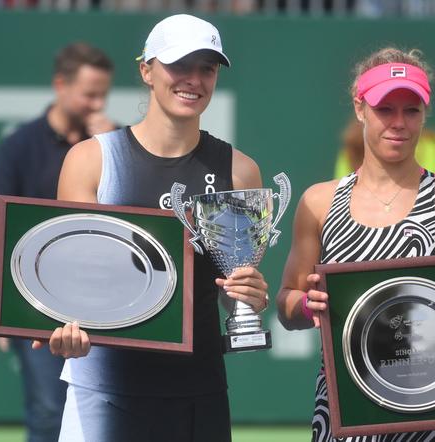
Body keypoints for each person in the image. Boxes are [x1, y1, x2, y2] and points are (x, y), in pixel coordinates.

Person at [31, 14, 269, 442]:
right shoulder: (93, 160)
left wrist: (249, 299)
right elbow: (71, 284)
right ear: (146, 70)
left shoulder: (240, 171)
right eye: (180, 65)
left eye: (207, 68)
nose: (193, 80)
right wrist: (65, 327)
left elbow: (237, 306)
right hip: (103, 390)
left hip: (200, 392)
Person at [276, 47, 435, 442]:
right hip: (346, 407)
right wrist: (304, 304)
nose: (399, 123)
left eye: (412, 110)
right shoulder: (318, 203)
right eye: (385, 109)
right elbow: (287, 301)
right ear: (360, 107)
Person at [0, 42, 115, 442]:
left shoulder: (115, 146)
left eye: (103, 94)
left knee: (110, 410)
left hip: (106, 301)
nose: (97, 103)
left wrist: (114, 149)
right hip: (36, 300)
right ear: (60, 85)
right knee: (49, 409)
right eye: (89, 93)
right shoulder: (19, 147)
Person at [334, 118, 435, 182]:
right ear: (360, 110)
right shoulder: (352, 147)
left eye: (410, 109)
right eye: (384, 109)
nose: (398, 122)